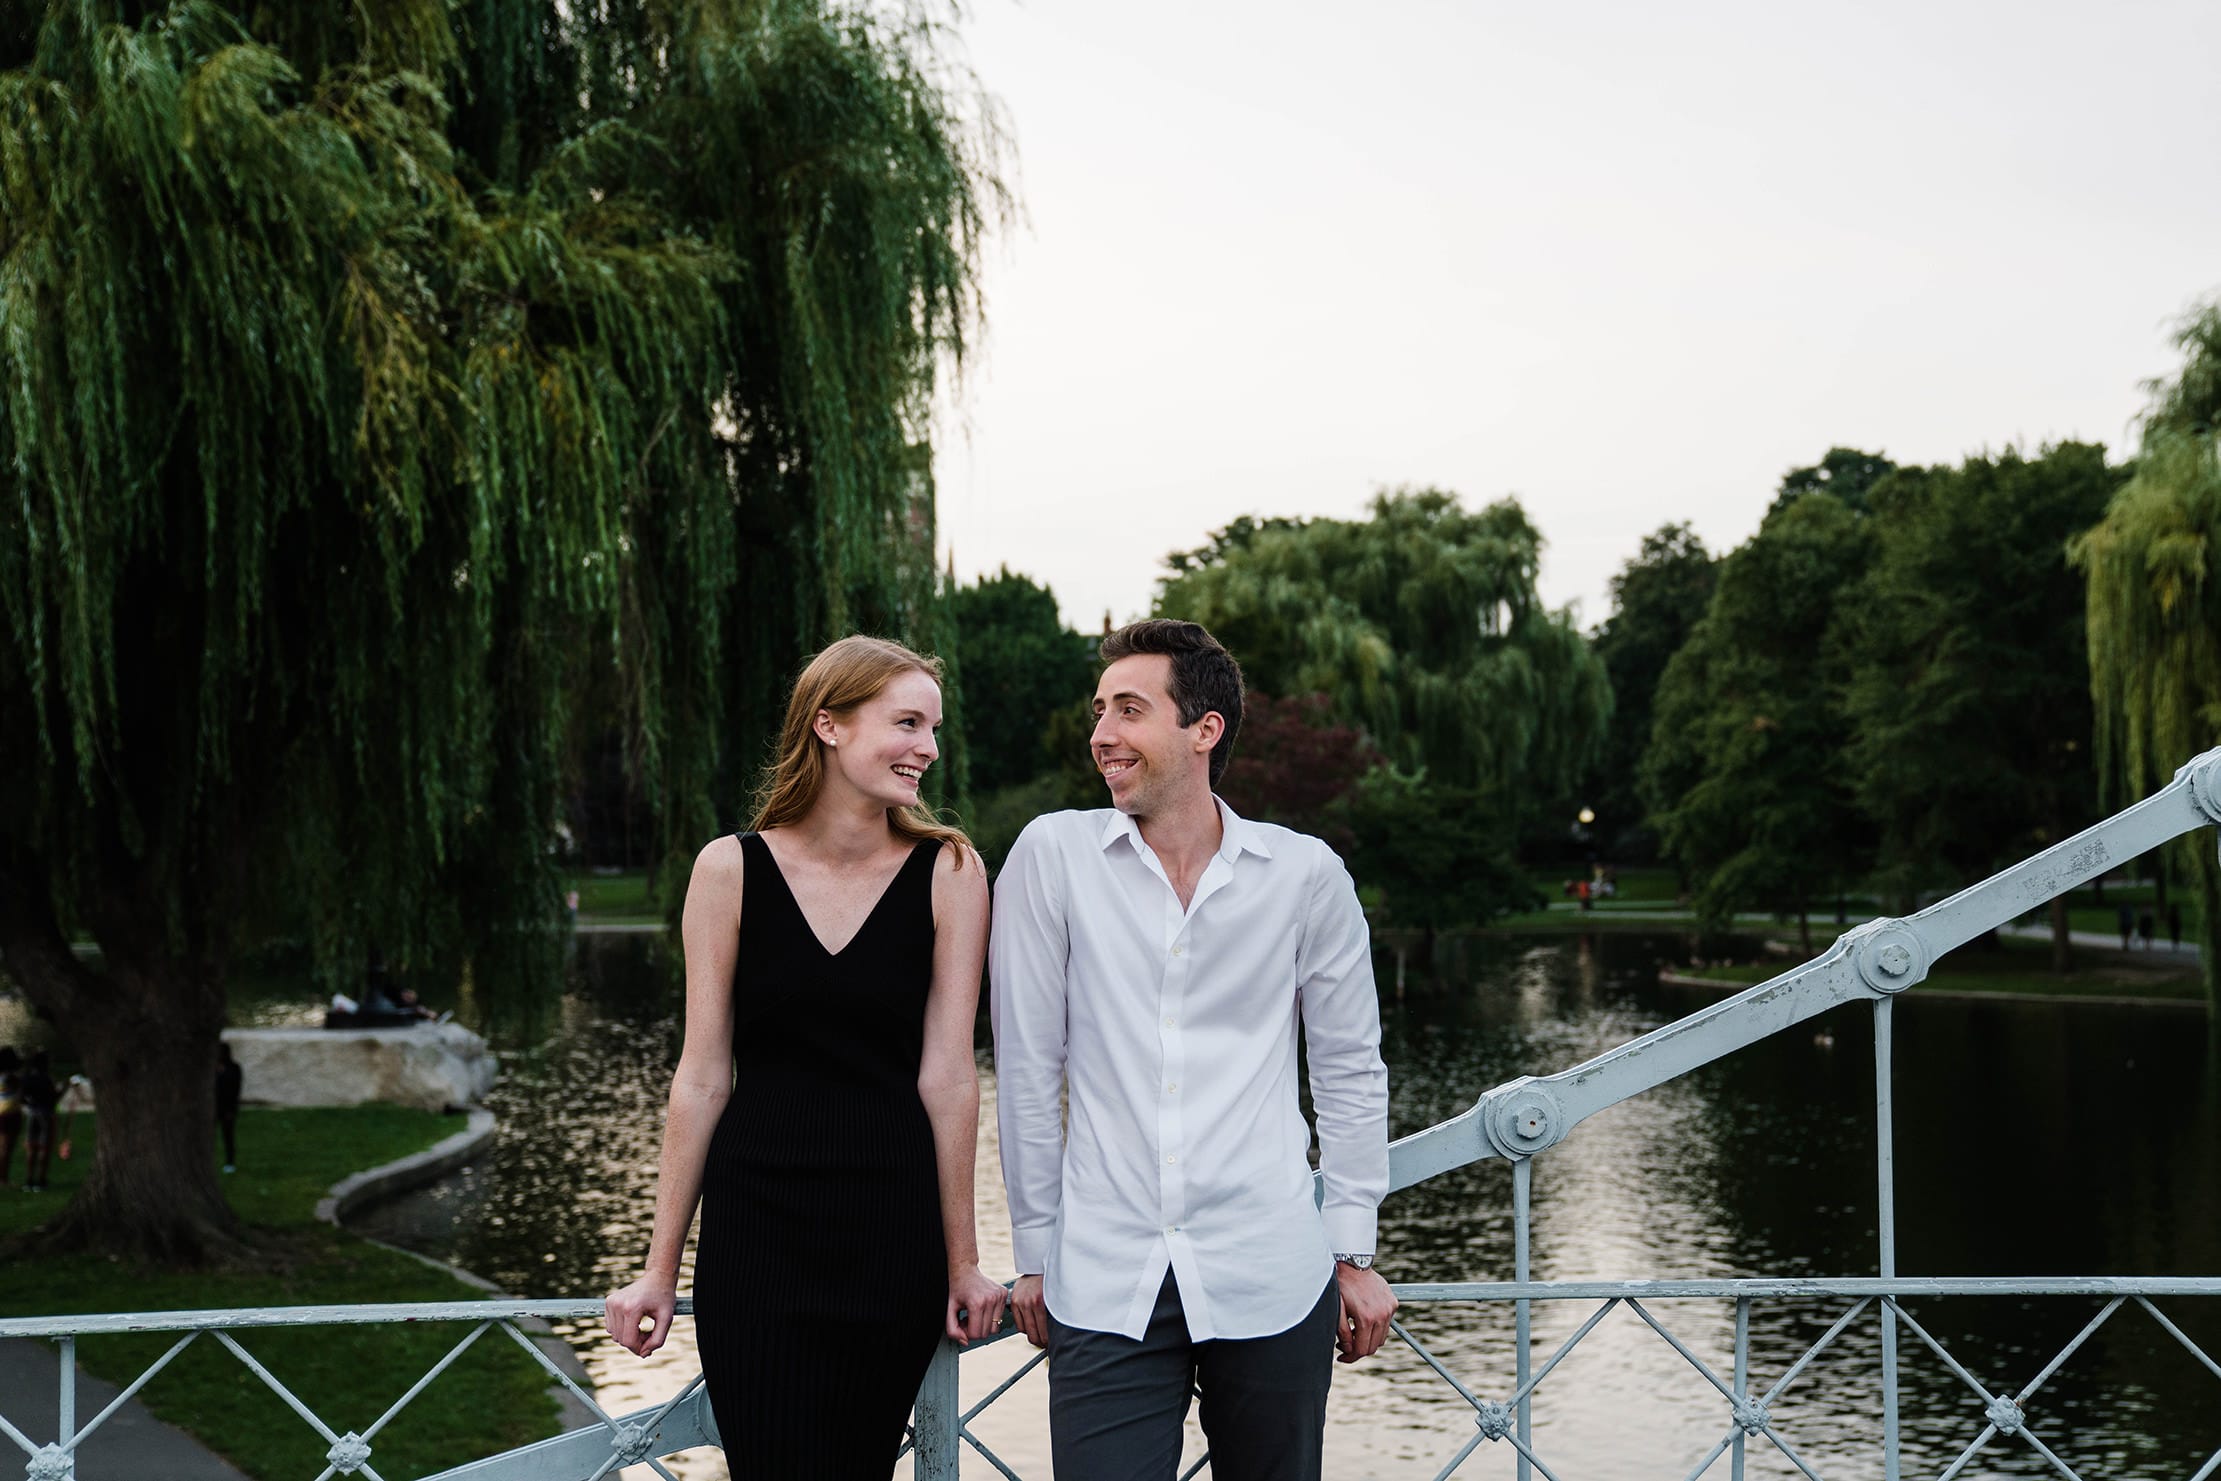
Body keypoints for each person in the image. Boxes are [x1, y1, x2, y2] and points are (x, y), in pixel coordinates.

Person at [991, 618, 1395, 1481]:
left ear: (1203, 729)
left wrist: (1352, 1248)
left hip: (1270, 1270)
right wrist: (1034, 1253)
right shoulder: (1052, 856)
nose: (1101, 733)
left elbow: (1348, 1070)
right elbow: (1026, 1070)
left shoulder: (1304, 875)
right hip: (1103, 1279)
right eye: (1099, 710)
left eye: (1129, 709)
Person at [603, 635, 1003, 1476]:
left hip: (891, 1236)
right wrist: (657, 1269)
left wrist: (963, 1261)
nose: (929, 748)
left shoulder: (950, 871)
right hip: (756, 1238)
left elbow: (948, 1077)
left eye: (933, 728)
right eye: (907, 722)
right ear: (828, 724)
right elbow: (701, 1075)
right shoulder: (728, 869)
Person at [19, 1051, 58, 1192]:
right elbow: (54, 1098)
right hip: (46, 1114)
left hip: (32, 1113)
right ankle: (41, 1180)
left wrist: (31, 1103)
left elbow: (21, 1097)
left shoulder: (27, 1078)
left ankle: (29, 1180)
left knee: (31, 1147)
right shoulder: (46, 1079)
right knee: (44, 1147)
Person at [216, 1042, 244, 1173]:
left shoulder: (234, 1068)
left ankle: (230, 1162)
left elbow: (235, 1090)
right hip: (214, 1107)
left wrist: (231, 1109)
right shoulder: (212, 1068)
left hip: (227, 1108)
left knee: (228, 1136)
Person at [0, 1047, 21, 1187]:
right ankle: (3, 1179)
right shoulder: (11, 1077)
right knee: (6, 1149)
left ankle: (3, 1179)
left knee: (3, 1148)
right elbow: (20, 1090)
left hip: (2, 1112)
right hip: (10, 1114)